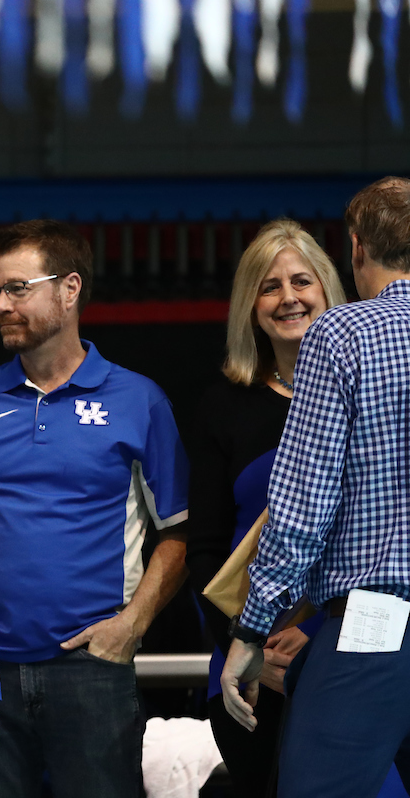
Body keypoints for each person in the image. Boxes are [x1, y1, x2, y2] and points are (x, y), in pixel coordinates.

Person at [0, 219, 189, 798]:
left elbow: (178, 534)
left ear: (69, 289)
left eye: (18, 288)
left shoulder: (139, 400)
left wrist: (133, 624)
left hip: (93, 669)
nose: (0, 304)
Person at [221, 178, 410, 797]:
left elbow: (303, 506)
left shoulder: (344, 334)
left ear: (355, 250)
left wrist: (251, 628)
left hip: (377, 623)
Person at [185, 220, 345, 798]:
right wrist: (240, 648)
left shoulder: (369, 393)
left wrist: (323, 635)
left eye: (302, 281)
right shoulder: (222, 406)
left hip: (350, 650)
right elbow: (203, 548)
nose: (288, 298)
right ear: (250, 307)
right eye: (269, 286)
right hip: (247, 669)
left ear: (328, 292)